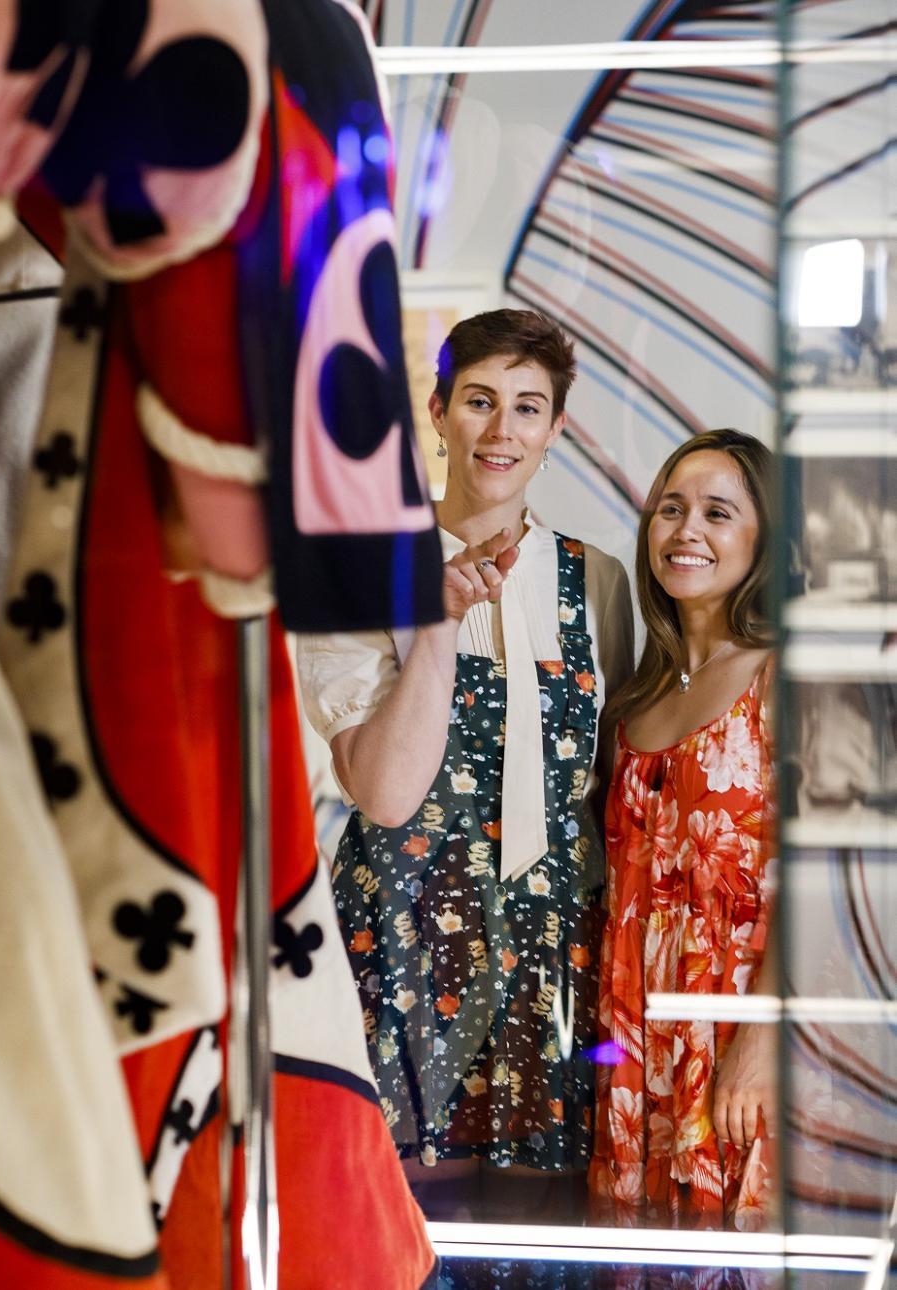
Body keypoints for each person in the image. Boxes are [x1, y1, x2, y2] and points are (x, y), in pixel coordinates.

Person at [297, 309, 633, 1220]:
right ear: (438, 411)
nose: (502, 429)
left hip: (556, 946)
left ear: (556, 429)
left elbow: (601, 786)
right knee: (414, 1223)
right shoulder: (364, 572)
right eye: (480, 401)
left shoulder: (598, 580)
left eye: (529, 408)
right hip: (407, 939)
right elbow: (384, 789)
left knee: (547, 1227)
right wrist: (434, 625)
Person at [589, 429, 777, 1236]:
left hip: (743, 1035)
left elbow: (835, 884)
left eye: (716, 512)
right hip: (635, 1051)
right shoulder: (629, 705)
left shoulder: (788, 676)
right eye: (670, 509)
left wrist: (763, 1043)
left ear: (765, 539)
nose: (685, 530)